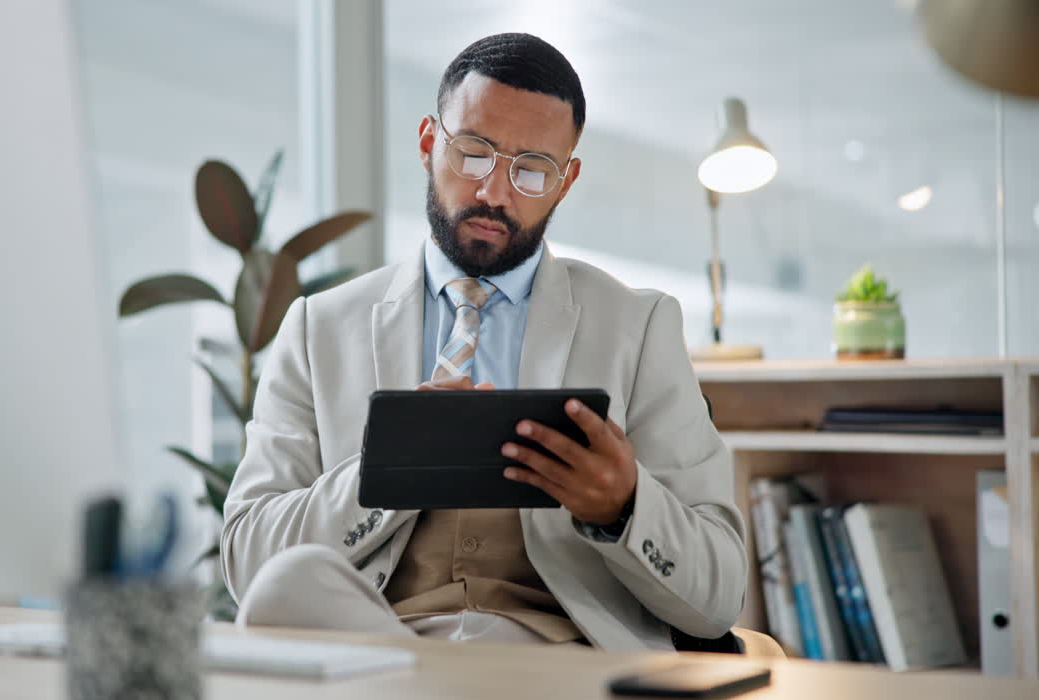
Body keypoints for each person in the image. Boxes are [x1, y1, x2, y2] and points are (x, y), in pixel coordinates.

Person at [220, 32, 746, 651]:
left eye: (530, 170)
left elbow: (719, 596)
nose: (494, 193)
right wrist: (388, 471)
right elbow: (251, 565)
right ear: (427, 143)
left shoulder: (638, 326)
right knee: (289, 584)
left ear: (566, 181)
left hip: (561, 660)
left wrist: (626, 506)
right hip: (379, 651)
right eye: (474, 153)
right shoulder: (319, 327)